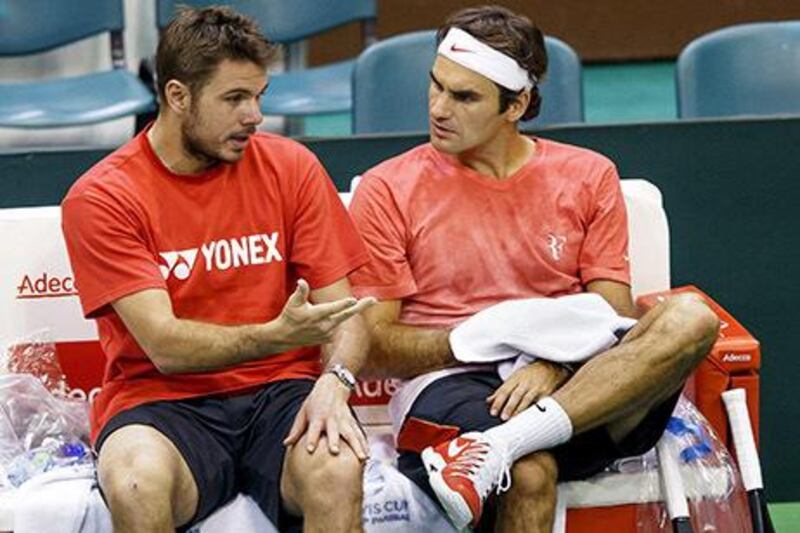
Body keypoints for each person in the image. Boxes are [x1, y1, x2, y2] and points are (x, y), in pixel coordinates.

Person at [348, 5, 719, 532]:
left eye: (464, 96)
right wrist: (490, 337)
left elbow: (612, 320)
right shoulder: (386, 189)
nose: (438, 108)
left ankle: (494, 449)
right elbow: (373, 347)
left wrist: (555, 365)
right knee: (527, 472)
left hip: (579, 385)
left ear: (516, 104)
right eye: (436, 86)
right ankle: (507, 450)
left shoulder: (590, 175)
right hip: (449, 385)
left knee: (691, 318)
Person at [61, 6, 374, 532]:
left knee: (338, 468)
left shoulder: (292, 166)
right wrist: (278, 335)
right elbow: (166, 346)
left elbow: (346, 313)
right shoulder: (103, 196)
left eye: (258, 96)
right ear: (178, 96)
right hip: (159, 403)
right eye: (234, 99)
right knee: (136, 484)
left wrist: (335, 383)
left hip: (281, 394)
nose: (254, 115)